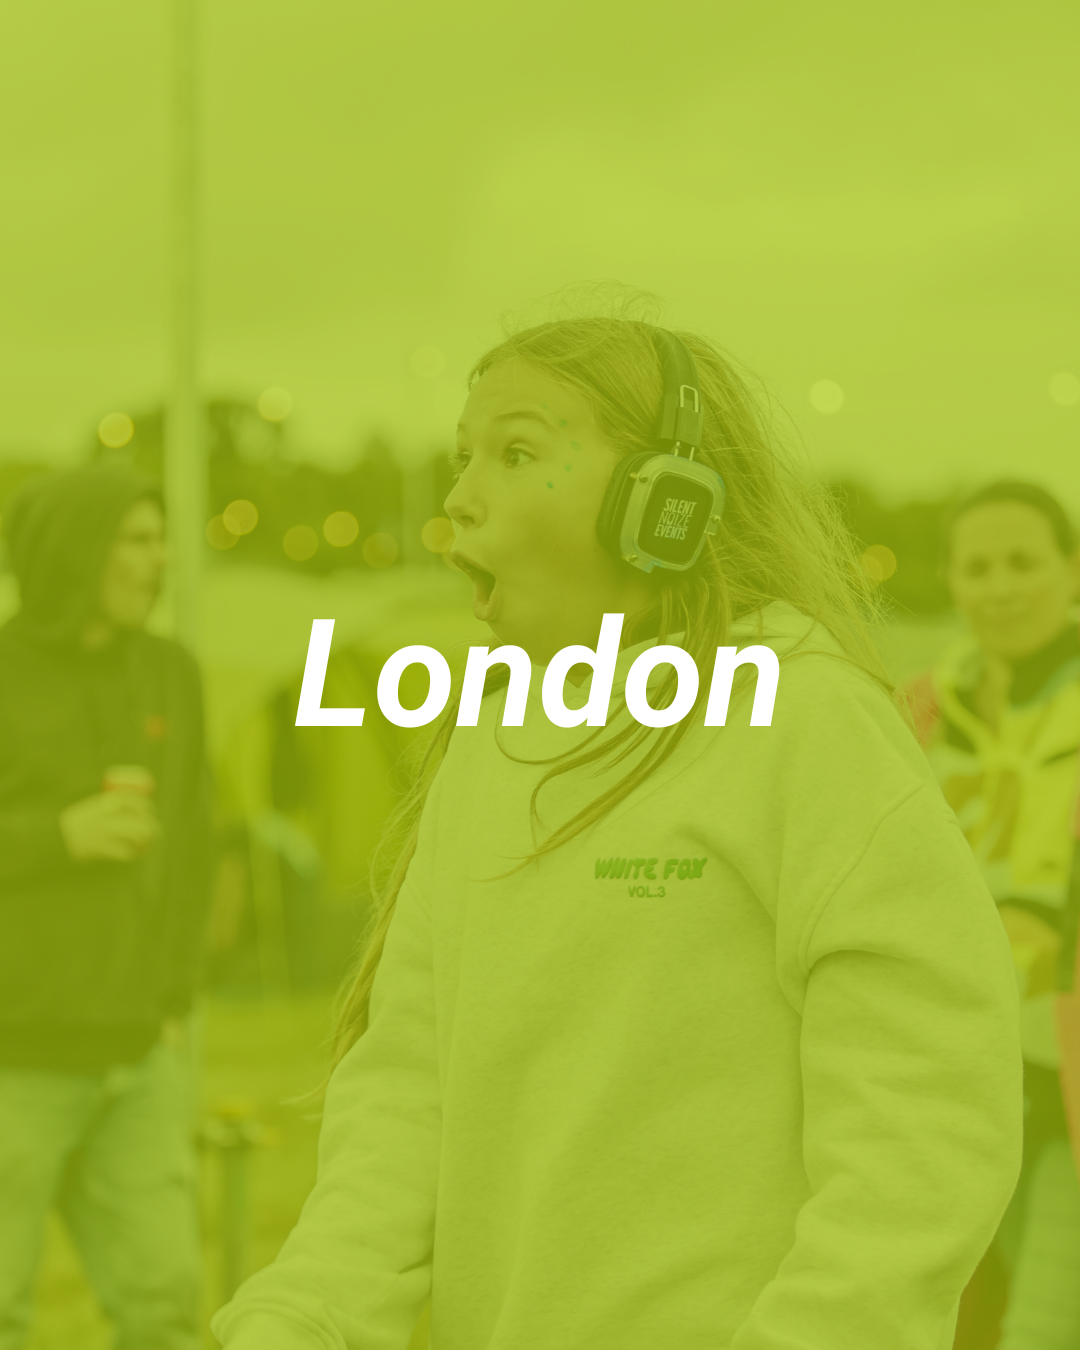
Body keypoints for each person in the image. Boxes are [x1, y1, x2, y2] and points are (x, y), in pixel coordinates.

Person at [213, 316, 1022, 1350]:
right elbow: (409, 1092)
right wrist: (299, 1315)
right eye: (462, 457)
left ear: (666, 503)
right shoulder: (490, 743)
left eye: (515, 453)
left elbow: (926, 1127)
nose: (460, 496)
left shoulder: (806, 719)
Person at [0, 466, 212, 1350]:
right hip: (14, 1061)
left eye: (161, 538)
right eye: (136, 539)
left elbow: (195, 840)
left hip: (137, 1059)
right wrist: (59, 836)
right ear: (73, 551)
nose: (159, 559)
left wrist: (170, 996)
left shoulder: (170, 670)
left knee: (165, 1312)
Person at [902, 481, 1080, 1350]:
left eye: (1023, 562)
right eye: (978, 566)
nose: (1001, 587)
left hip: (1065, 1073)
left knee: (1044, 1324)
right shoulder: (921, 711)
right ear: (952, 580)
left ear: (1072, 568)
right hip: (955, 1069)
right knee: (953, 1320)